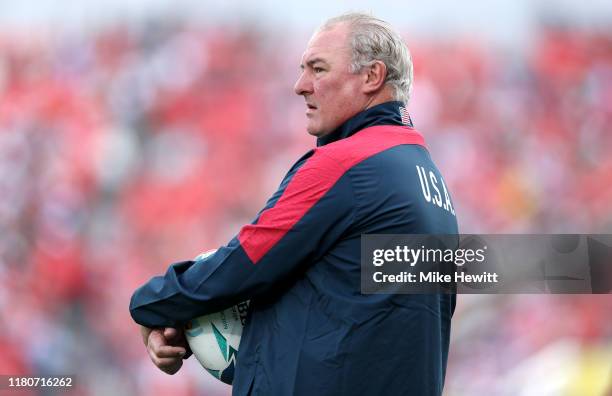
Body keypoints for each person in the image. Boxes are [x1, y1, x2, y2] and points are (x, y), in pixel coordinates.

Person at [130, 12, 458, 396]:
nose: (300, 86)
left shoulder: (346, 165)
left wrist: (152, 304)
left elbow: (245, 264)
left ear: (372, 77)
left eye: (317, 69)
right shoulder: (430, 180)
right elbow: (351, 306)